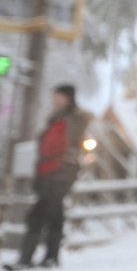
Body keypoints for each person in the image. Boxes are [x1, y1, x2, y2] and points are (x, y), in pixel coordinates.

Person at [4, 85, 91, 270]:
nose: (56, 100)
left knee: (39, 216)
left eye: (60, 97)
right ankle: (49, 258)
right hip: (46, 173)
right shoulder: (54, 119)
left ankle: (28, 259)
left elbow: (70, 147)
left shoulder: (73, 120)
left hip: (60, 174)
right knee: (52, 216)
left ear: (69, 98)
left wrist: (64, 172)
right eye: (55, 96)